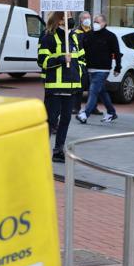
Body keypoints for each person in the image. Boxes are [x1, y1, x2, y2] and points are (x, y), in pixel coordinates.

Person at [38, 11, 82, 163]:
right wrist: (61, 59)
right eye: (67, 15)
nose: (70, 18)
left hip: (71, 86)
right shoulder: (48, 37)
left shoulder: (73, 37)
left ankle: (58, 150)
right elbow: (42, 61)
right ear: (59, 19)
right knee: (50, 120)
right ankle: (41, 149)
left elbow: (80, 59)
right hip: (55, 87)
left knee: (66, 120)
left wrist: (80, 77)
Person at [76, 14, 120, 124]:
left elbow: (117, 53)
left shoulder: (110, 36)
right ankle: (111, 112)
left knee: (93, 90)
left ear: (104, 23)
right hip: (90, 68)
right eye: (94, 21)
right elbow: (82, 49)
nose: (95, 23)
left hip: (103, 69)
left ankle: (85, 114)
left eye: (98, 22)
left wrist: (118, 67)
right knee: (101, 91)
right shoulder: (89, 35)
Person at [70, 11, 92, 114]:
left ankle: (93, 107)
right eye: (85, 18)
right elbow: (79, 48)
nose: (87, 20)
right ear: (81, 20)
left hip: (92, 63)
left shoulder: (92, 31)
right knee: (79, 86)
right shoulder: (76, 32)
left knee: (93, 87)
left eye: (89, 17)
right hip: (81, 63)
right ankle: (76, 107)